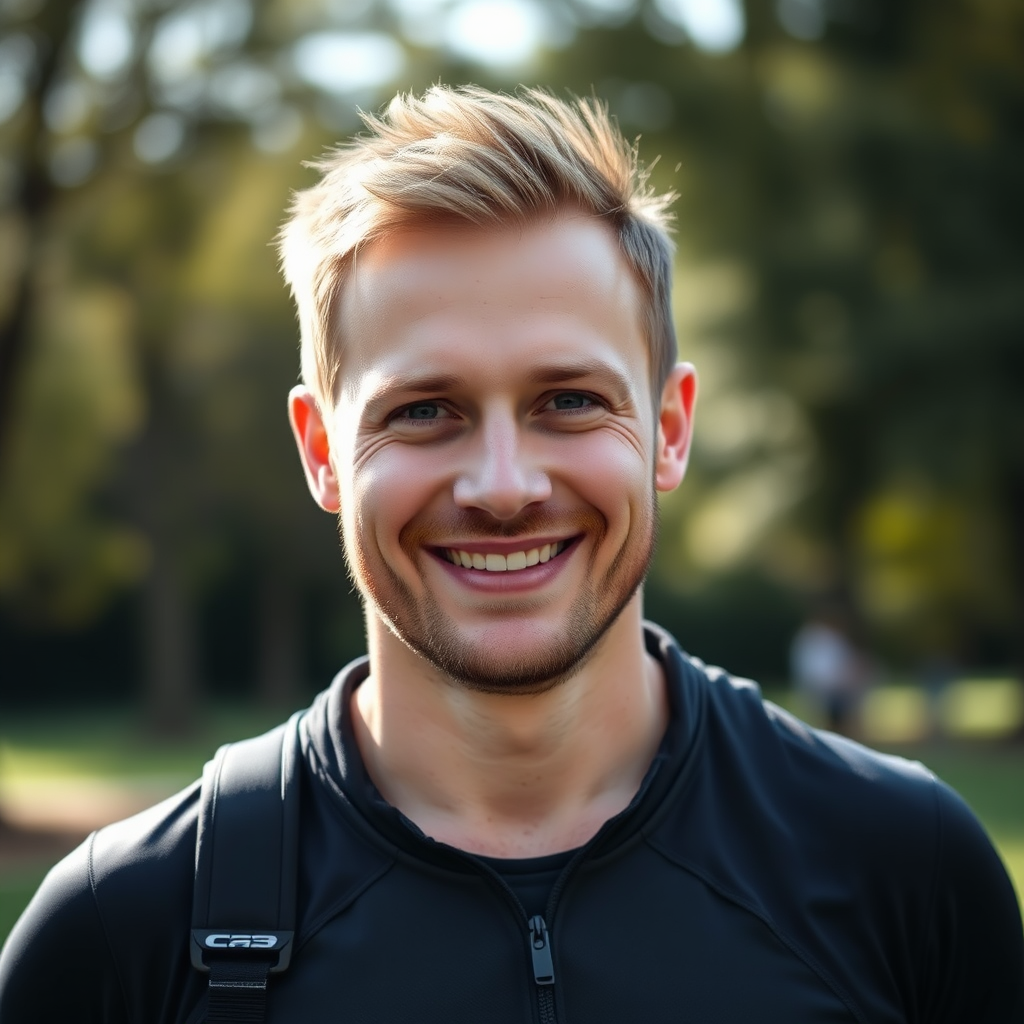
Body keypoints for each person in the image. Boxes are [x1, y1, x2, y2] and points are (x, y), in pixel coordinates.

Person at [1, 85, 1021, 1023]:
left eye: (568, 400)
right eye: (425, 409)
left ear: (669, 428)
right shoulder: (121, 935)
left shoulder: (902, 870)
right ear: (321, 452)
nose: (502, 484)